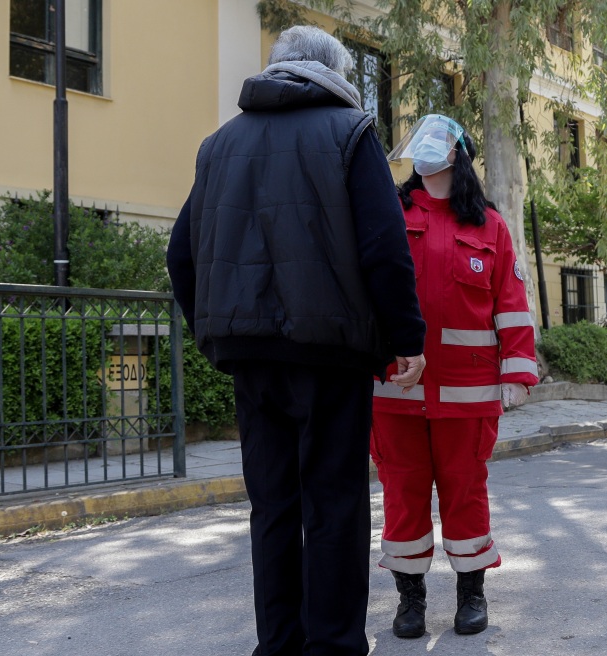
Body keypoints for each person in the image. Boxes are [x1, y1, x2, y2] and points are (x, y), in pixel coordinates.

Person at [165, 26, 426, 656]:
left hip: (249, 352)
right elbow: (384, 248)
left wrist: (214, 331)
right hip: (331, 350)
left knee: (273, 506)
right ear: (334, 72)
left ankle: (277, 645)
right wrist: (406, 338)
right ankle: (333, 646)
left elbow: (180, 254)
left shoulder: (219, 145)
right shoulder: (351, 132)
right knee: (333, 503)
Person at [372, 114, 539, 639]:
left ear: (458, 155)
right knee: (403, 491)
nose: (425, 150)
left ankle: (471, 593)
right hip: (395, 388)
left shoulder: (490, 226)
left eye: (438, 142)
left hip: (468, 394)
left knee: (465, 490)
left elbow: (511, 304)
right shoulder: (388, 213)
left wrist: (517, 371)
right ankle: (410, 600)